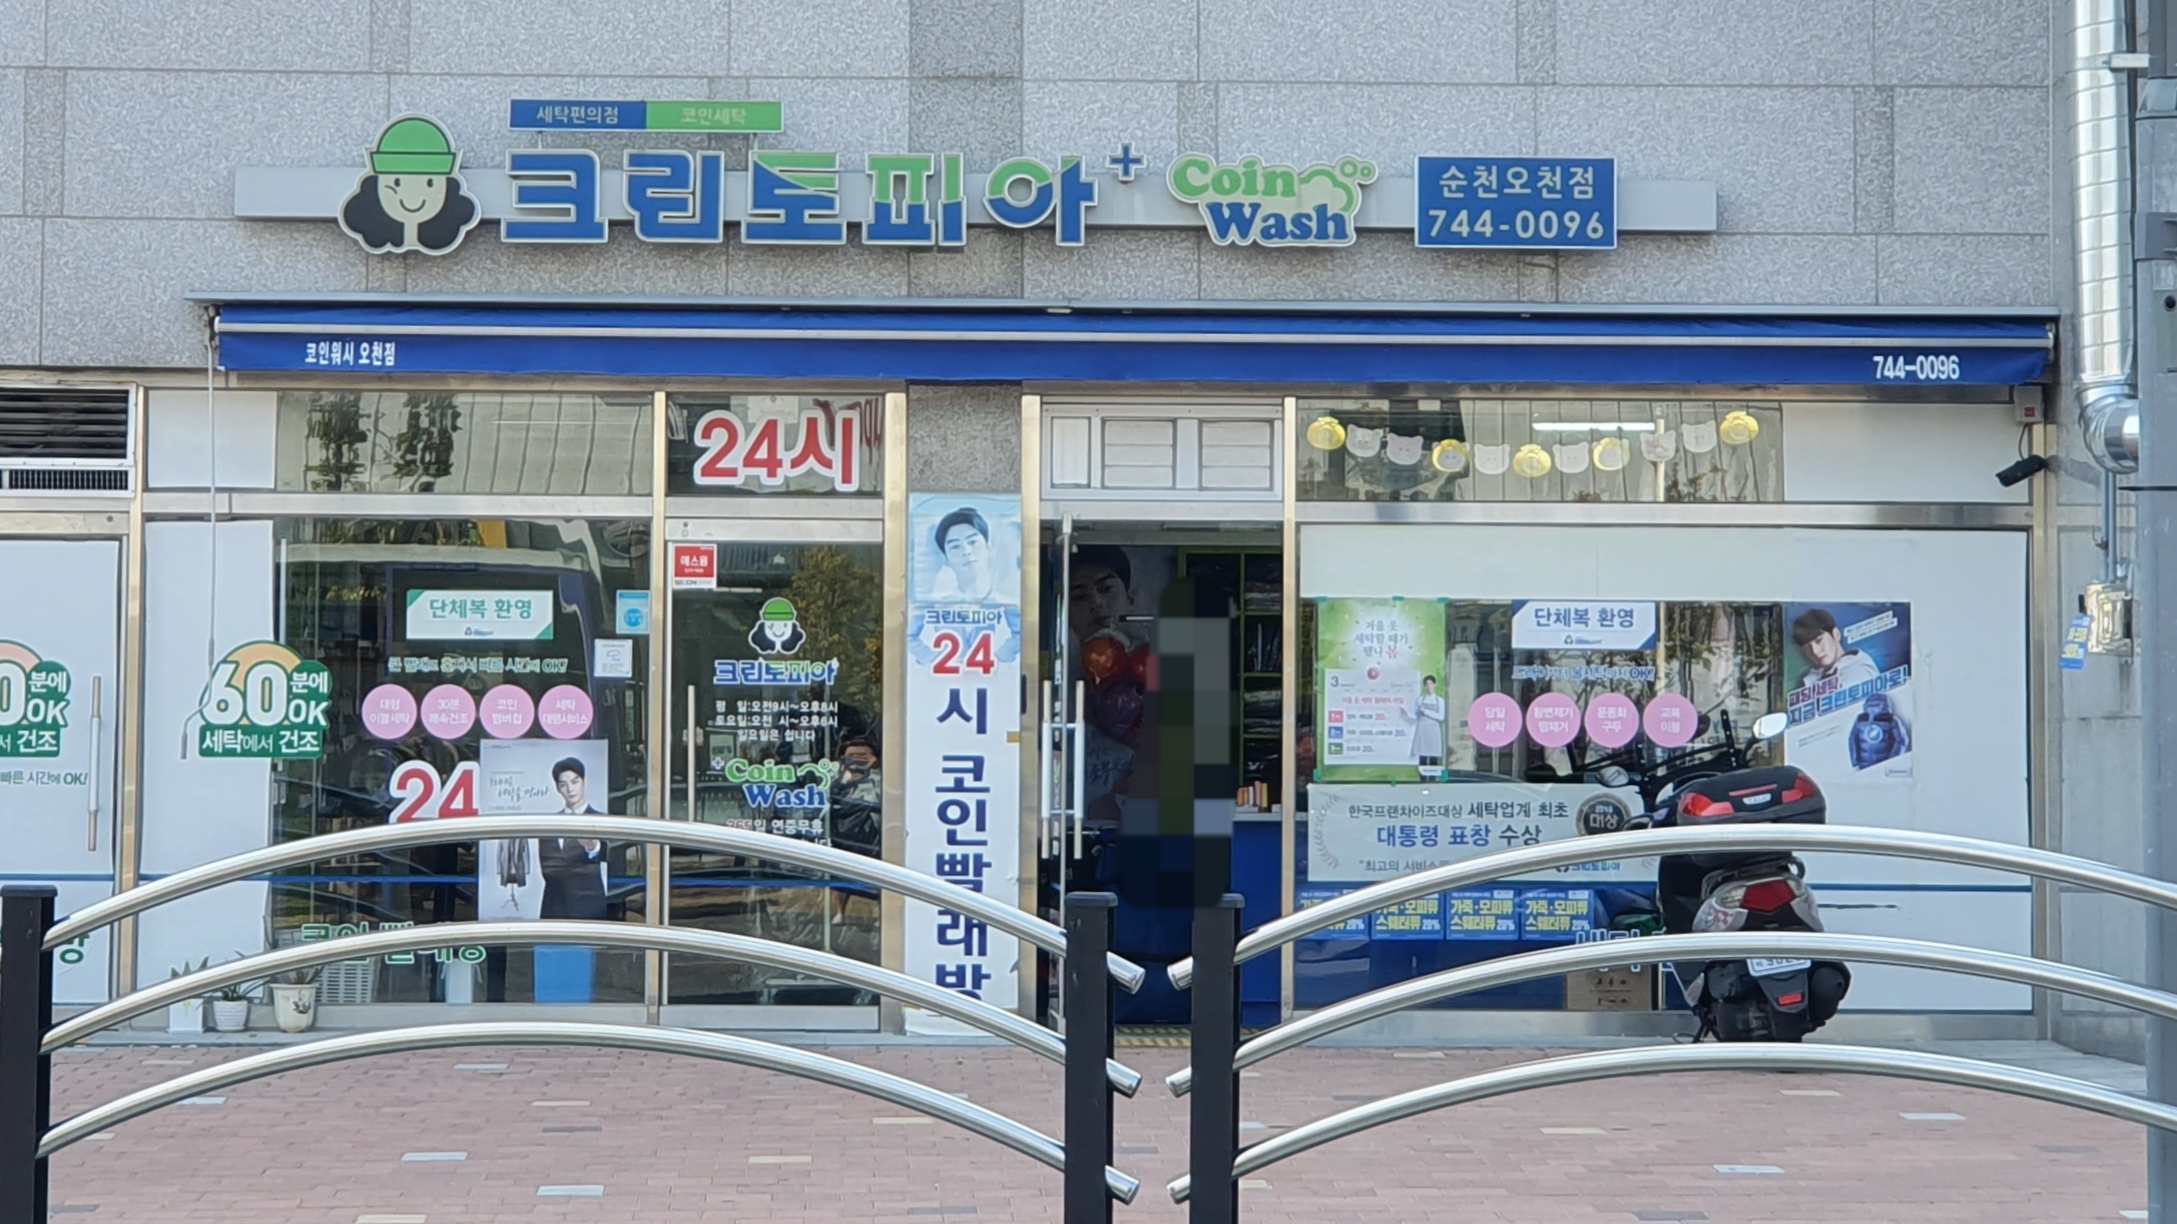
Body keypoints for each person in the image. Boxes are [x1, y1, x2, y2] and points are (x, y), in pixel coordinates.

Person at [539, 757, 607, 920]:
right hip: (552, 908)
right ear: (558, 788)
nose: (570, 789)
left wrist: (593, 848)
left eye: (575, 782)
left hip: (588, 910)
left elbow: (615, 857)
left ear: (584, 782)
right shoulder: (548, 824)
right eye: (563, 784)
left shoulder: (602, 820)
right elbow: (547, 868)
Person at [1790, 608, 1880, 692]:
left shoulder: (1859, 671)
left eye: (1819, 641)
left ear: (1836, 634)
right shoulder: (1812, 677)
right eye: (1807, 648)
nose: (1815, 651)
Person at [933, 507, 1000, 602]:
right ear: (946, 559)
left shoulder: (1012, 602)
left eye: (973, 542)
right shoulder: (941, 606)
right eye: (955, 546)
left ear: (988, 547)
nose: (966, 551)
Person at [1412, 675, 1446, 780]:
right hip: (1422, 730)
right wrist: (1406, 714)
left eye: (1431, 684)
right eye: (1426, 684)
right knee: (1422, 757)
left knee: (1433, 758)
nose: (1429, 686)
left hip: (1434, 731)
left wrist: (1426, 711)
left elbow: (1441, 716)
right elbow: (1415, 715)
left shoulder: (1440, 700)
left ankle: (1432, 780)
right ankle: (1422, 780)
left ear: (1435, 685)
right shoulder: (1420, 700)